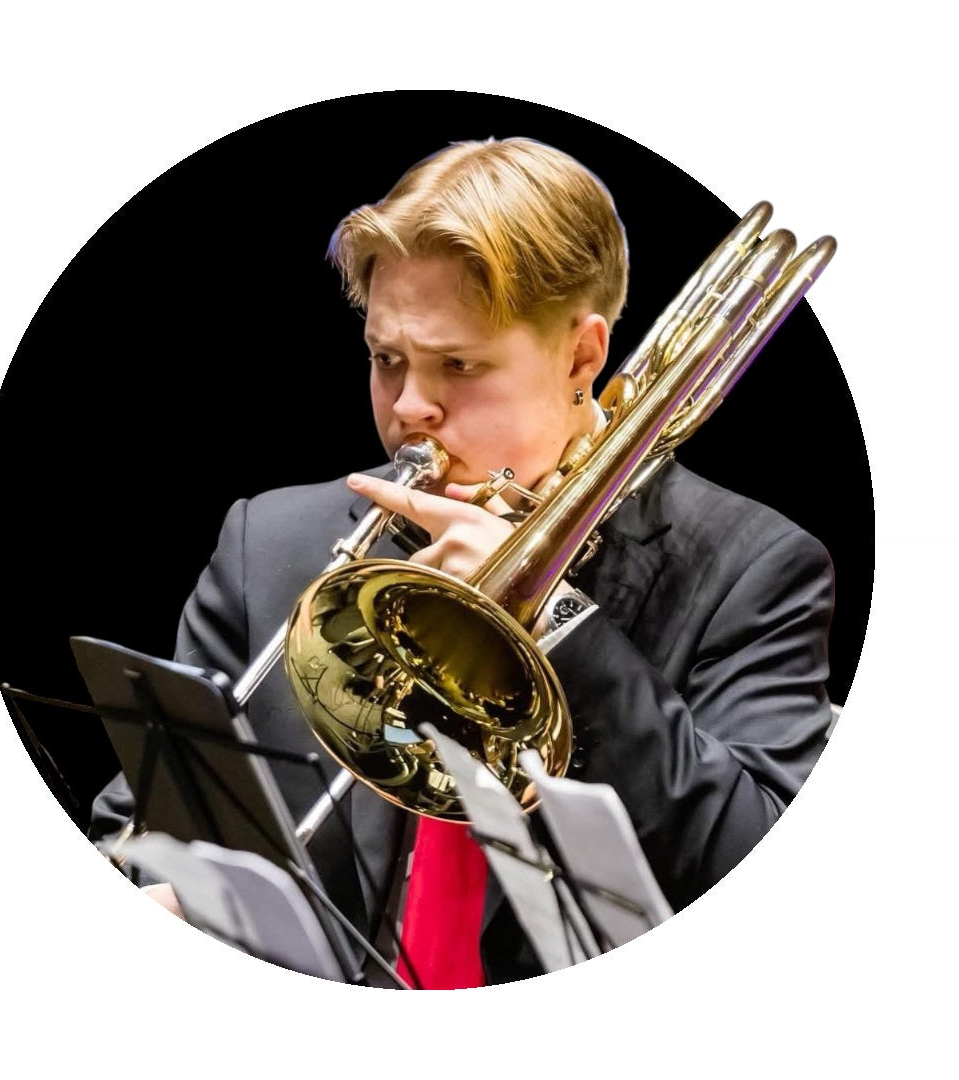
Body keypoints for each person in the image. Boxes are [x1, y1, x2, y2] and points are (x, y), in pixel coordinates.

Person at [89, 136, 835, 987]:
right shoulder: (271, 543)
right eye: (387, 360)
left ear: (582, 356)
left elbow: (757, 865)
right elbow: (142, 819)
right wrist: (156, 897)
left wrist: (561, 628)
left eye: (459, 365)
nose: (410, 406)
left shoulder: (751, 568)